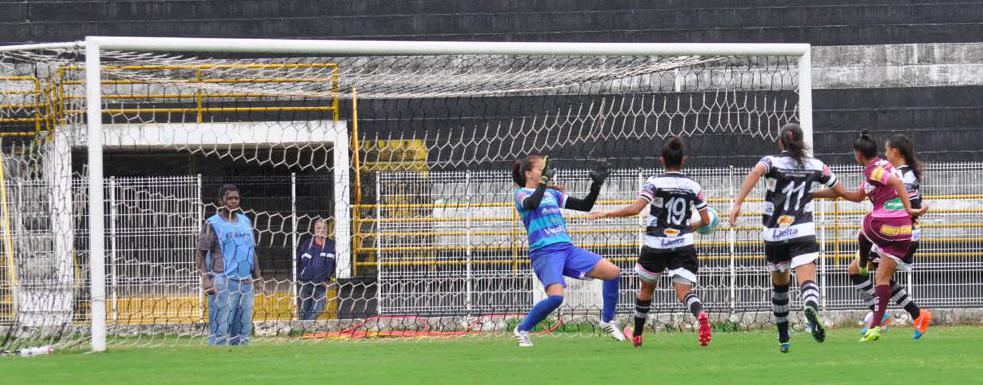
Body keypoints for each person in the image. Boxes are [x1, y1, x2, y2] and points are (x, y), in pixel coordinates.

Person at [729, 123, 849, 353]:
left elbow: (756, 172)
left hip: (774, 233)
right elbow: (838, 191)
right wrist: (812, 193)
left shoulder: (771, 162)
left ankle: (784, 336)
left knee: (780, 285)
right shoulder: (816, 166)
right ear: (802, 141)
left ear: (780, 142)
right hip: (802, 231)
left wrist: (738, 203)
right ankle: (810, 307)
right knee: (807, 279)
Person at [587, 136, 712, 348]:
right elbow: (706, 220)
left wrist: (606, 213)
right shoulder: (693, 186)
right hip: (683, 245)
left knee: (646, 290)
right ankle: (699, 313)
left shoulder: (654, 182)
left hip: (655, 245)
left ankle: (636, 335)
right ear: (684, 160)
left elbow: (635, 209)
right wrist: (690, 226)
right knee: (684, 291)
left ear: (662, 160)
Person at [814, 132, 929, 342]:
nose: (885, 154)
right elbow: (856, 196)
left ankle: (883, 315)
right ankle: (910, 314)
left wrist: (910, 213)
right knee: (864, 272)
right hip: (899, 230)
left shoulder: (895, 173)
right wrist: (817, 193)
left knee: (871, 272)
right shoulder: (883, 169)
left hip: (899, 232)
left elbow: (904, 198)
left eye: (887, 150)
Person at [511, 154, 624, 347]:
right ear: (528, 173)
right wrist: (544, 182)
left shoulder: (551, 194)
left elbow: (585, 205)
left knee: (613, 272)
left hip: (567, 249)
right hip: (545, 253)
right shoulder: (521, 194)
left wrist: (596, 185)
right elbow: (532, 204)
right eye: (540, 169)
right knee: (556, 298)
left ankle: (607, 321)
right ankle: (522, 329)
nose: (544, 172)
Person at [196, 184, 262, 346]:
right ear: (221, 201)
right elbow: (200, 253)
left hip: (246, 283)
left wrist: (258, 277)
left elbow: (251, 252)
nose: (233, 201)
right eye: (230, 198)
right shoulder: (211, 224)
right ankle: (217, 365)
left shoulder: (246, 221)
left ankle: (239, 366)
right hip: (223, 282)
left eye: (236, 198)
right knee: (221, 329)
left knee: (243, 331)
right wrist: (205, 279)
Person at [297, 218, 336, 321]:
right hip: (305, 283)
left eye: (324, 228)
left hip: (321, 284)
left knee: (317, 308)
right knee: (303, 309)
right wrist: (299, 277)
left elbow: (335, 265)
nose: (321, 230)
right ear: (314, 229)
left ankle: (306, 327)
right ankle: (303, 328)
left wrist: (329, 279)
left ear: (327, 230)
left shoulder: (331, 245)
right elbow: (298, 261)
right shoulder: (307, 244)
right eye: (318, 228)